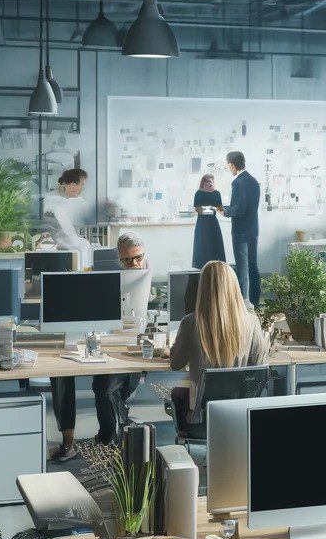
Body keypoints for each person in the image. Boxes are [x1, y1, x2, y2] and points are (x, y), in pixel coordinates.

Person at [47, 233, 149, 463]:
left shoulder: (146, 274)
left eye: (138, 258)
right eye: (127, 260)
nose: (134, 264)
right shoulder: (104, 276)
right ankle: (78, 441)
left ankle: (110, 437)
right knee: (63, 376)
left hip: (129, 342)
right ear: (118, 259)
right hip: (97, 337)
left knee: (105, 387)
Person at [167, 259, 272, 424]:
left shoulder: (191, 323)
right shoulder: (252, 322)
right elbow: (260, 364)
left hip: (201, 417)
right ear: (234, 288)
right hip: (240, 416)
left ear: (203, 289)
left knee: (177, 393)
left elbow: (175, 364)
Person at [223, 151, 262, 305]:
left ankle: (242, 305)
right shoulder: (253, 181)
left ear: (232, 164)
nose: (228, 168)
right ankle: (255, 304)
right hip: (253, 229)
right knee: (253, 267)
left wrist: (222, 210)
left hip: (240, 232)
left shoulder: (238, 182)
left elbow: (239, 209)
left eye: (228, 165)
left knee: (242, 269)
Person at [43, 168, 91, 262]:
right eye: (82, 185)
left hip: (63, 245)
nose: (82, 189)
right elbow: (68, 235)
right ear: (73, 186)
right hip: (60, 245)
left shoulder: (64, 200)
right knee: (85, 245)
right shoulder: (54, 203)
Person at [191, 174, 227, 269]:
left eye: (211, 181)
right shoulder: (198, 193)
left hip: (213, 224)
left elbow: (221, 209)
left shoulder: (216, 193)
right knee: (203, 246)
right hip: (202, 224)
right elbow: (198, 209)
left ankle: (217, 268)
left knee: (215, 246)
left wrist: (228, 211)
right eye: (208, 182)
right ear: (203, 183)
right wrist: (212, 209)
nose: (210, 184)